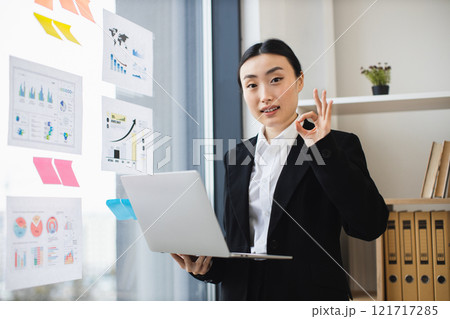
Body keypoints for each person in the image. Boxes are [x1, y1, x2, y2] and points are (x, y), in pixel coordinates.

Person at [171, 39, 389, 301]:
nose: (265, 95)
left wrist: (322, 147)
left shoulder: (338, 145)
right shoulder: (236, 157)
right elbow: (236, 249)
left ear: (299, 81)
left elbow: (369, 225)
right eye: (251, 85)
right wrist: (203, 267)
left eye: (275, 79)